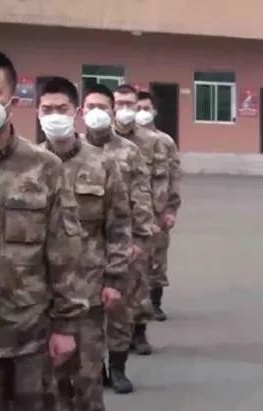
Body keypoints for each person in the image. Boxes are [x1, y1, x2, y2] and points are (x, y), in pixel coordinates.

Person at [0, 50, 87, 411]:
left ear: (13, 98)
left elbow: (63, 248)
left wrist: (67, 324)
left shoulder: (43, 167)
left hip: (28, 330)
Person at [38, 78, 131, 411]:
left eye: (61, 109)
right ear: (36, 113)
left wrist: (115, 278)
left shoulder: (101, 163)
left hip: (89, 286)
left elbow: (119, 224)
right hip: (41, 290)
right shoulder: (31, 164)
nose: (54, 116)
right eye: (47, 109)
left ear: (75, 112)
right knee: (51, 368)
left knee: (89, 367)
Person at [83, 84, 154, 394]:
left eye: (102, 107)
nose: (96, 113)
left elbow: (141, 197)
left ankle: (118, 368)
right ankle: (96, 368)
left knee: (120, 309)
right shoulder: (72, 150)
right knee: (86, 313)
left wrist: (139, 239)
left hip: (121, 242)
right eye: (91, 107)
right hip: (81, 247)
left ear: (112, 112)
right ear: (81, 112)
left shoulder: (129, 151)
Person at [113, 84, 165, 356]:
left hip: (140, 221)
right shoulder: (100, 140)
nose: (124, 109)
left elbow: (158, 180)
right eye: (119, 103)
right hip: (108, 221)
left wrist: (156, 217)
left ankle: (139, 332)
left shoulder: (150, 141)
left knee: (139, 280)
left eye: (129, 104)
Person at [135, 91, 181, 322]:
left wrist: (171, 210)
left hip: (158, 211)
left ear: (154, 111)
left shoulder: (165, 142)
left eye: (146, 108)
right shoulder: (125, 141)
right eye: (137, 108)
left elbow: (174, 177)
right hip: (131, 212)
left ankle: (155, 303)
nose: (142, 112)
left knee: (157, 259)